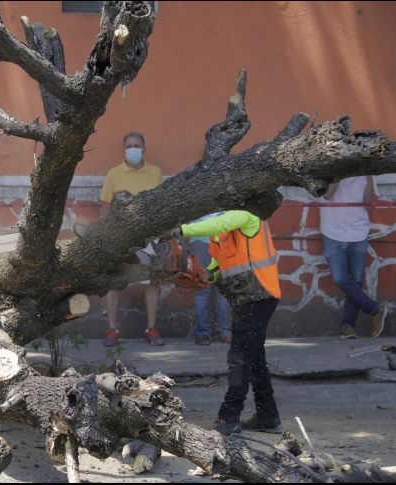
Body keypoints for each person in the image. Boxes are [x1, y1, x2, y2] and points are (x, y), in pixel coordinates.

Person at [175, 210, 282, 436]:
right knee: (254, 358)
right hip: (246, 298)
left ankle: (229, 417)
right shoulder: (221, 232)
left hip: (259, 295)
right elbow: (219, 264)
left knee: (239, 358)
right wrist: (208, 275)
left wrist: (180, 230)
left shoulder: (248, 214)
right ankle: (267, 414)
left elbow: (219, 224)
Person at [100, 131, 164, 347]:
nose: (133, 149)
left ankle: (151, 329)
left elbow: (162, 205)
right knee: (113, 282)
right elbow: (105, 207)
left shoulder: (155, 173)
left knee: (152, 281)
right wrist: (106, 235)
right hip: (120, 237)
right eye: (129, 146)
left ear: (144, 149)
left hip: (149, 237)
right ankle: (111, 330)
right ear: (124, 150)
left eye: (137, 145)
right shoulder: (114, 174)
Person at [320, 176, 387, 339]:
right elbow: (328, 195)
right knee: (341, 278)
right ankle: (375, 309)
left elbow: (369, 201)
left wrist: (370, 176)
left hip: (358, 230)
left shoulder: (365, 170)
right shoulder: (331, 168)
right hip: (333, 231)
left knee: (356, 281)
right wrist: (338, 171)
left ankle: (348, 326)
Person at [188, 212, 231, 345]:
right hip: (222, 236)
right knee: (222, 288)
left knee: (202, 288)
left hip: (201, 237)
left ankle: (203, 334)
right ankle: (224, 333)